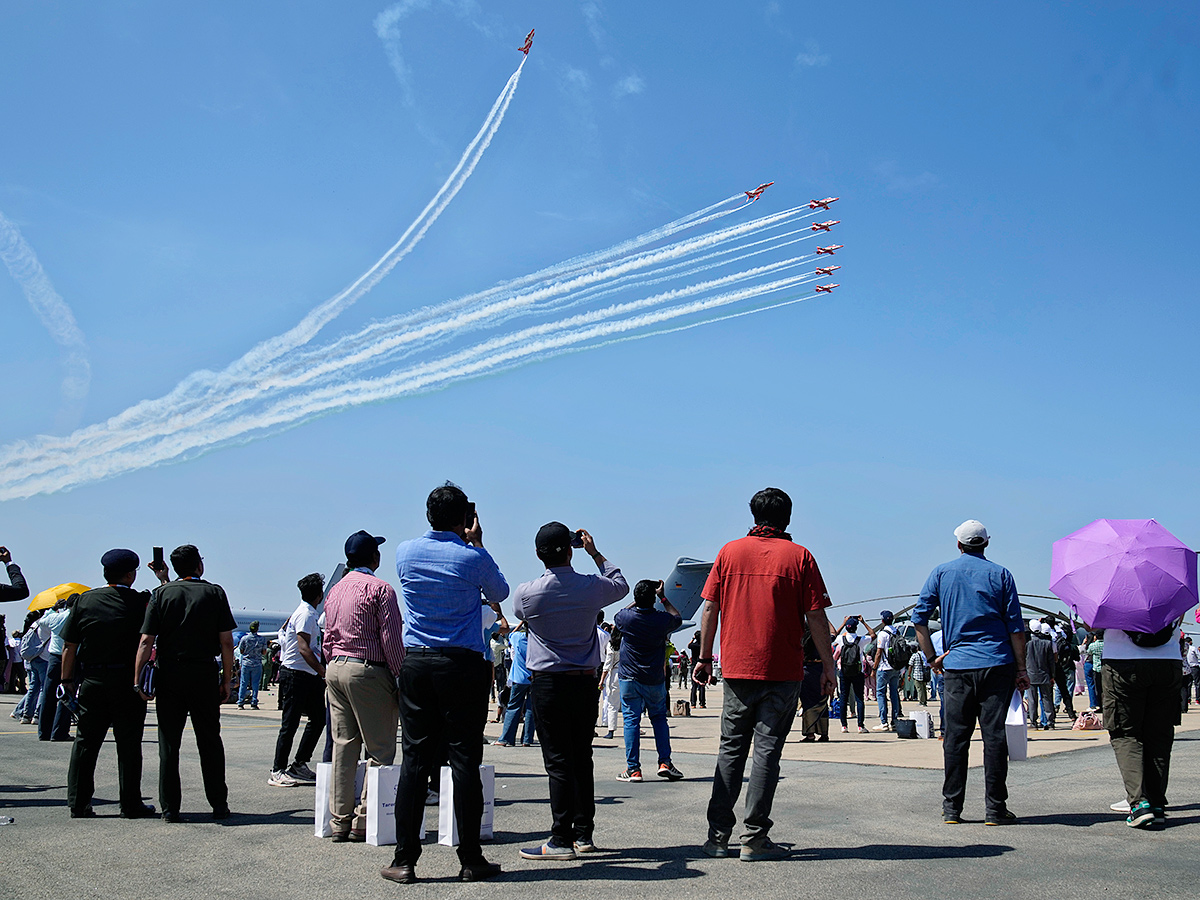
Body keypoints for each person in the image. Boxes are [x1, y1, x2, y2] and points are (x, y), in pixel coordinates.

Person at [692, 488, 835, 861]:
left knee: (730, 750)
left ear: (753, 516)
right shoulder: (800, 557)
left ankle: (718, 837)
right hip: (783, 670)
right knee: (767, 753)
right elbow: (816, 618)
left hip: (738, 668)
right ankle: (754, 839)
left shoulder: (729, 552)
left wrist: (705, 658)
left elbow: (710, 609)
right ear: (787, 518)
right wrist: (828, 667)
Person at [385, 485, 508, 885]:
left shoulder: (404, 552)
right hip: (462, 664)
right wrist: (477, 543)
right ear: (463, 519)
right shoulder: (471, 557)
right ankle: (470, 858)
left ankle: (404, 860)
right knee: (464, 761)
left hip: (418, 661)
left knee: (415, 761)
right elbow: (500, 592)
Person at [512, 522, 629, 860]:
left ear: (538, 554)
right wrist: (594, 553)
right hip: (583, 680)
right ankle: (583, 833)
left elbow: (520, 612)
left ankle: (560, 839)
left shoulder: (528, 593)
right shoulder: (591, 587)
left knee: (558, 761)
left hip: (548, 682)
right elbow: (621, 584)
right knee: (582, 758)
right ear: (570, 549)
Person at [912, 519, 1028, 826]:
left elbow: (919, 619)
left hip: (958, 666)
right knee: (994, 736)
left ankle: (952, 808)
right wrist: (1021, 668)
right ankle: (995, 808)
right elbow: (1016, 628)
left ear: (959, 545)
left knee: (956, 737)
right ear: (986, 544)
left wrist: (932, 658)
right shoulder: (1001, 574)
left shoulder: (941, 573)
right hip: (997, 663)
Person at [62, 549, 168, 818]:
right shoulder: (140, 601)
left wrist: (66, 680)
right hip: (127, 681)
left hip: (93, 679)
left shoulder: (84, 601)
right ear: (131, 574)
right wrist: (162, 577)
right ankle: (131, 804)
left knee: (85, 742)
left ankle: (78, 802)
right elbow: (167, 600)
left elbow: (69, 646)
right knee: (129, 744)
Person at [135, 544, 237, 822]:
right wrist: (226, 679)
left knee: (169, 743)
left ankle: (170, 807)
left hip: (170, 673)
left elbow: (146, 641)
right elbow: (226, 641)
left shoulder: (160, 594)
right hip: (203, 672)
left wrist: (138, 680)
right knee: (209, 741)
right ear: (198, 565)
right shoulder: (215, 592)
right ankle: (218, 803)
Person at [322, 534, 404, 840]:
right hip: (367, 670)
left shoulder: (335, 590)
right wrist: (399, 676)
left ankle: (338, 819)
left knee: (344, 746)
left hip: (336, 668)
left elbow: (327, 636)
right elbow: (391, 638)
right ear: (375, 558)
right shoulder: (380, 589)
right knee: (380, 748)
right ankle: (365, 818)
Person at [1102, 620, 1185, 828]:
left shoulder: (1113, 585)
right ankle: (1156, 803)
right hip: (1168, 659)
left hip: (1122, 661)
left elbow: (1091, 623)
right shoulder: (1174, 585)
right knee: (1160, 734)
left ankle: (1140, 804)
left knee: (1125, 733)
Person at [614, 579, 684, 783]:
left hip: (629, 677)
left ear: (636, 599)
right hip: (653, 678)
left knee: (631, 722)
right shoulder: (661, 619)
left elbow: (618, 614)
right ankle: (665, 762)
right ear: (654, 599)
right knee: (659, 719)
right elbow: (677, 617)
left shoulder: (627, 618)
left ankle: (633, 769)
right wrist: (662, 596)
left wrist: (636, 601)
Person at [269, 573, 329, 788]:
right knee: (290, 723)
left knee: (319, 718)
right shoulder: (305, 614)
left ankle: (299, 763)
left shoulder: (309, 613)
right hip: (296, 674)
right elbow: (304, 648)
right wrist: (323, 671)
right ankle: (277, 769)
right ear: (320, 594)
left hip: (307, 674)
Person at [38, 595, 79, 741]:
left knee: (48, 694)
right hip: (72, 657)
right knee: (67, 694)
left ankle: (44, 731)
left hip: (54, 657)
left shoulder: (56, 617)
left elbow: (42, 622)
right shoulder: (76, 618)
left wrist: (52, 609)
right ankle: (60, 731)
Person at [495, 622, 536, 747]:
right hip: (534, 677)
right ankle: (527, 739)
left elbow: (510, 633)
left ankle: (506, 738)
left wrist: (521, 623)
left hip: (519, 678)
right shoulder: (538, 643)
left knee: (513, 706)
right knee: (530, 709)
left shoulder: (518, 638)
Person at [834, 616, 874, 734]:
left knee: (843, 697)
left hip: (844, 671)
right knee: (859, 698)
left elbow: (833, 635)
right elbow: (873, 635)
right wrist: (864, 622)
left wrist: (843, 623)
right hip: (858, 671)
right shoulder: (861, 640)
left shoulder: (841, 639)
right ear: (856, 628)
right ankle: (860, 726)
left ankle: (844, 726)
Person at [13, 610, 50, 725]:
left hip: (33, 658)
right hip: (44, 657)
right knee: (43, 688)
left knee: (33, 687)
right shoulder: (48, 622)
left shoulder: (35, 624)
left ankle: (26, 715)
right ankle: (37, 715)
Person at [871, 610, 904, 731]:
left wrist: (874, 668)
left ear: (882, 621)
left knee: (881, 693)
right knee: (894, 693)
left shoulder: (882, 634)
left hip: (884, 668)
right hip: (895, 668)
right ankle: (894, 720)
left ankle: (883, 721)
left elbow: (879, 652)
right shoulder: (897, 632)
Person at [1026, 622, 1057, 730]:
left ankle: (1033, 722)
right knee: (1047, 699)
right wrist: (1052, 675)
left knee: (1032, 700)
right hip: (1045, 675)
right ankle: (1050, 722)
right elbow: (1051, 662)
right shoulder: (1047, 643)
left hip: (1031, 675)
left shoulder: (1027, 644)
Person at [236, 621, 268, 710]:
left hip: (246, 663)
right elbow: (264, 652)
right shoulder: (262, 639)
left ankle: (240, 702)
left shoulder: (244, 638)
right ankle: (254, 702)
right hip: (257, 663)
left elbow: (241, 651)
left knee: (243, 683)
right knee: (255, 684)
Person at [598, 628, 621, 740]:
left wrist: (601, 680)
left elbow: (607, 665)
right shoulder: (628, 643)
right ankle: (632, 728)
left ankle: (611, 730)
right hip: (628, 673)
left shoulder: (612, 645)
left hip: (615, 673)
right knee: (630, 705)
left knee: (612, 704)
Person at [687, 630, 706, 709]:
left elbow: (689, 645)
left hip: (694, 665)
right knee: (702, 685)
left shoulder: (693, 645)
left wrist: (693, 638)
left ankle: (693, 703)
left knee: (694, 686)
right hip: (701, 666)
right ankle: (702, 703)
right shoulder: (703, 646)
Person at [1186, 637, 1200, 706]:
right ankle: (1198, 699)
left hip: (1187, 667)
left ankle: (1188, 699)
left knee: (1189, 684)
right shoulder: (1193, 648)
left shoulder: (1184, 648)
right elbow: (1199, 656)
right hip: (1195, 667)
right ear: (1190, 641)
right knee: (1197, 684)